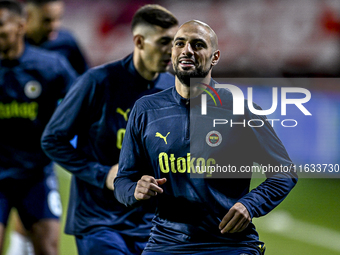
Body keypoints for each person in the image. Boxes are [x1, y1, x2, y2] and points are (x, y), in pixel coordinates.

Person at [114, 20, 298, 255]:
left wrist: (249, 205)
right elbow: (123, 180)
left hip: (229, 244)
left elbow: (284, 173)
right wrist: (134, 190)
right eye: (179, 43)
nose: (187, 50)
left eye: (197, 44)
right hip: (166, 244)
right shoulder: (145, 109)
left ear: (215, 57)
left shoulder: (242, 109)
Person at [41, 4, 178, 255]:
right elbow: (53, 140)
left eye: (176, 42)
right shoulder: (97, 82)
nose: (172, 51)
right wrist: (102, 174)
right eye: (164, 42)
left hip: (152, 226)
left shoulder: (173, 88)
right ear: (139, 41)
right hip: (100, 222)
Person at [0, 0, 77, 255]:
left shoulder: (51, 66)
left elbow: (82, 105)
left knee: (48, 248)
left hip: (36, 174)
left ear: (20, 26)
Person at [25, 0, 88, 75]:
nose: (54, 26)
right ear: (29, 16)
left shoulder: (66, 42)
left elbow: (85, 77)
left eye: (59, 18)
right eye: (47, 20)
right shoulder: (16, 44)